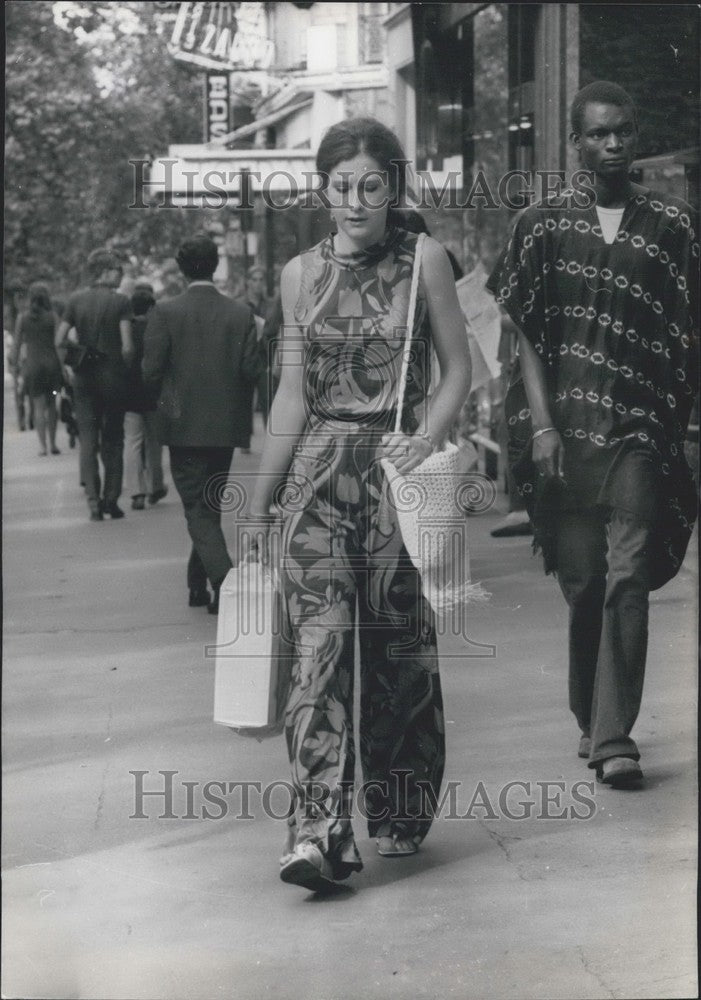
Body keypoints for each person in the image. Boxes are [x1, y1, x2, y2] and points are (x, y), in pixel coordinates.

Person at [246, 117, 472, 891]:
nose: (354, 201)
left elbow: (457, 372)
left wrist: (425, 434)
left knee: (395, 654)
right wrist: (257, 507)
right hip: (315, 482)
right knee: (318, 653)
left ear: (391, 188)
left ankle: (400, 810)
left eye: (370, 186)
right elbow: (288, 397)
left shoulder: (425, 261)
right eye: (340, 186)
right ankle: (317, 833)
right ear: (322, 188)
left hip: (391, 480)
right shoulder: (297, 276)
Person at [487, 81, 698, 788]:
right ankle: (590, 715)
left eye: (623, 131)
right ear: (575, 143)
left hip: (639, 429)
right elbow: (523, 337)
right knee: (584, 583)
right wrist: (541, 425)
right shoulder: (540, 226)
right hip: (564, 435)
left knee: (629, 576)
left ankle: (614, 737)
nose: (612, 144)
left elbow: (686, 332)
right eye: (598, 133)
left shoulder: (673, 225)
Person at [142, 234, 262, 614]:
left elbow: (150, 372)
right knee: (208, 507)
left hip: (182, 427)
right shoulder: (241, 313)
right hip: (225, 425)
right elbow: (250, 370)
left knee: (197, 508)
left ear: (180, 267)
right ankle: (197, 585)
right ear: (215, 265)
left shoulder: (164, 312)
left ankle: (225, 584)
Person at [56, 250, 134, 520]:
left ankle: (93, 503)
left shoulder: (75, 301)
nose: (121, 277)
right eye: (118, 271)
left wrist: (70, 365)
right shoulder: (122, 302)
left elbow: (59, 339)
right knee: (114, 439)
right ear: (105, 271)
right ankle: (111, 500)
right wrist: (126, 369)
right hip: (113, 379)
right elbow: (127, 347)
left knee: (87, 440)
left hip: (84, 378)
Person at [123, 280, 167, 510]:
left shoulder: (126, 328)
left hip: (130, 392)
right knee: (154, 442)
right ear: (151, 308)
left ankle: (136, 492)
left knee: (132, 442)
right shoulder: (155, 329)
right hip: (152, 391)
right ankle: (155, 486)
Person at [13, 283, 63, 456]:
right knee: (52, 405)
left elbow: (16, 346)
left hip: (33, 368)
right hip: (52, 366)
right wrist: (64, 368)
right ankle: (54, 443)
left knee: (38, 406)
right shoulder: (53, 317)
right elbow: (59, 344)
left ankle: (42, 447)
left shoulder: (22, 318)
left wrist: (16, 369)